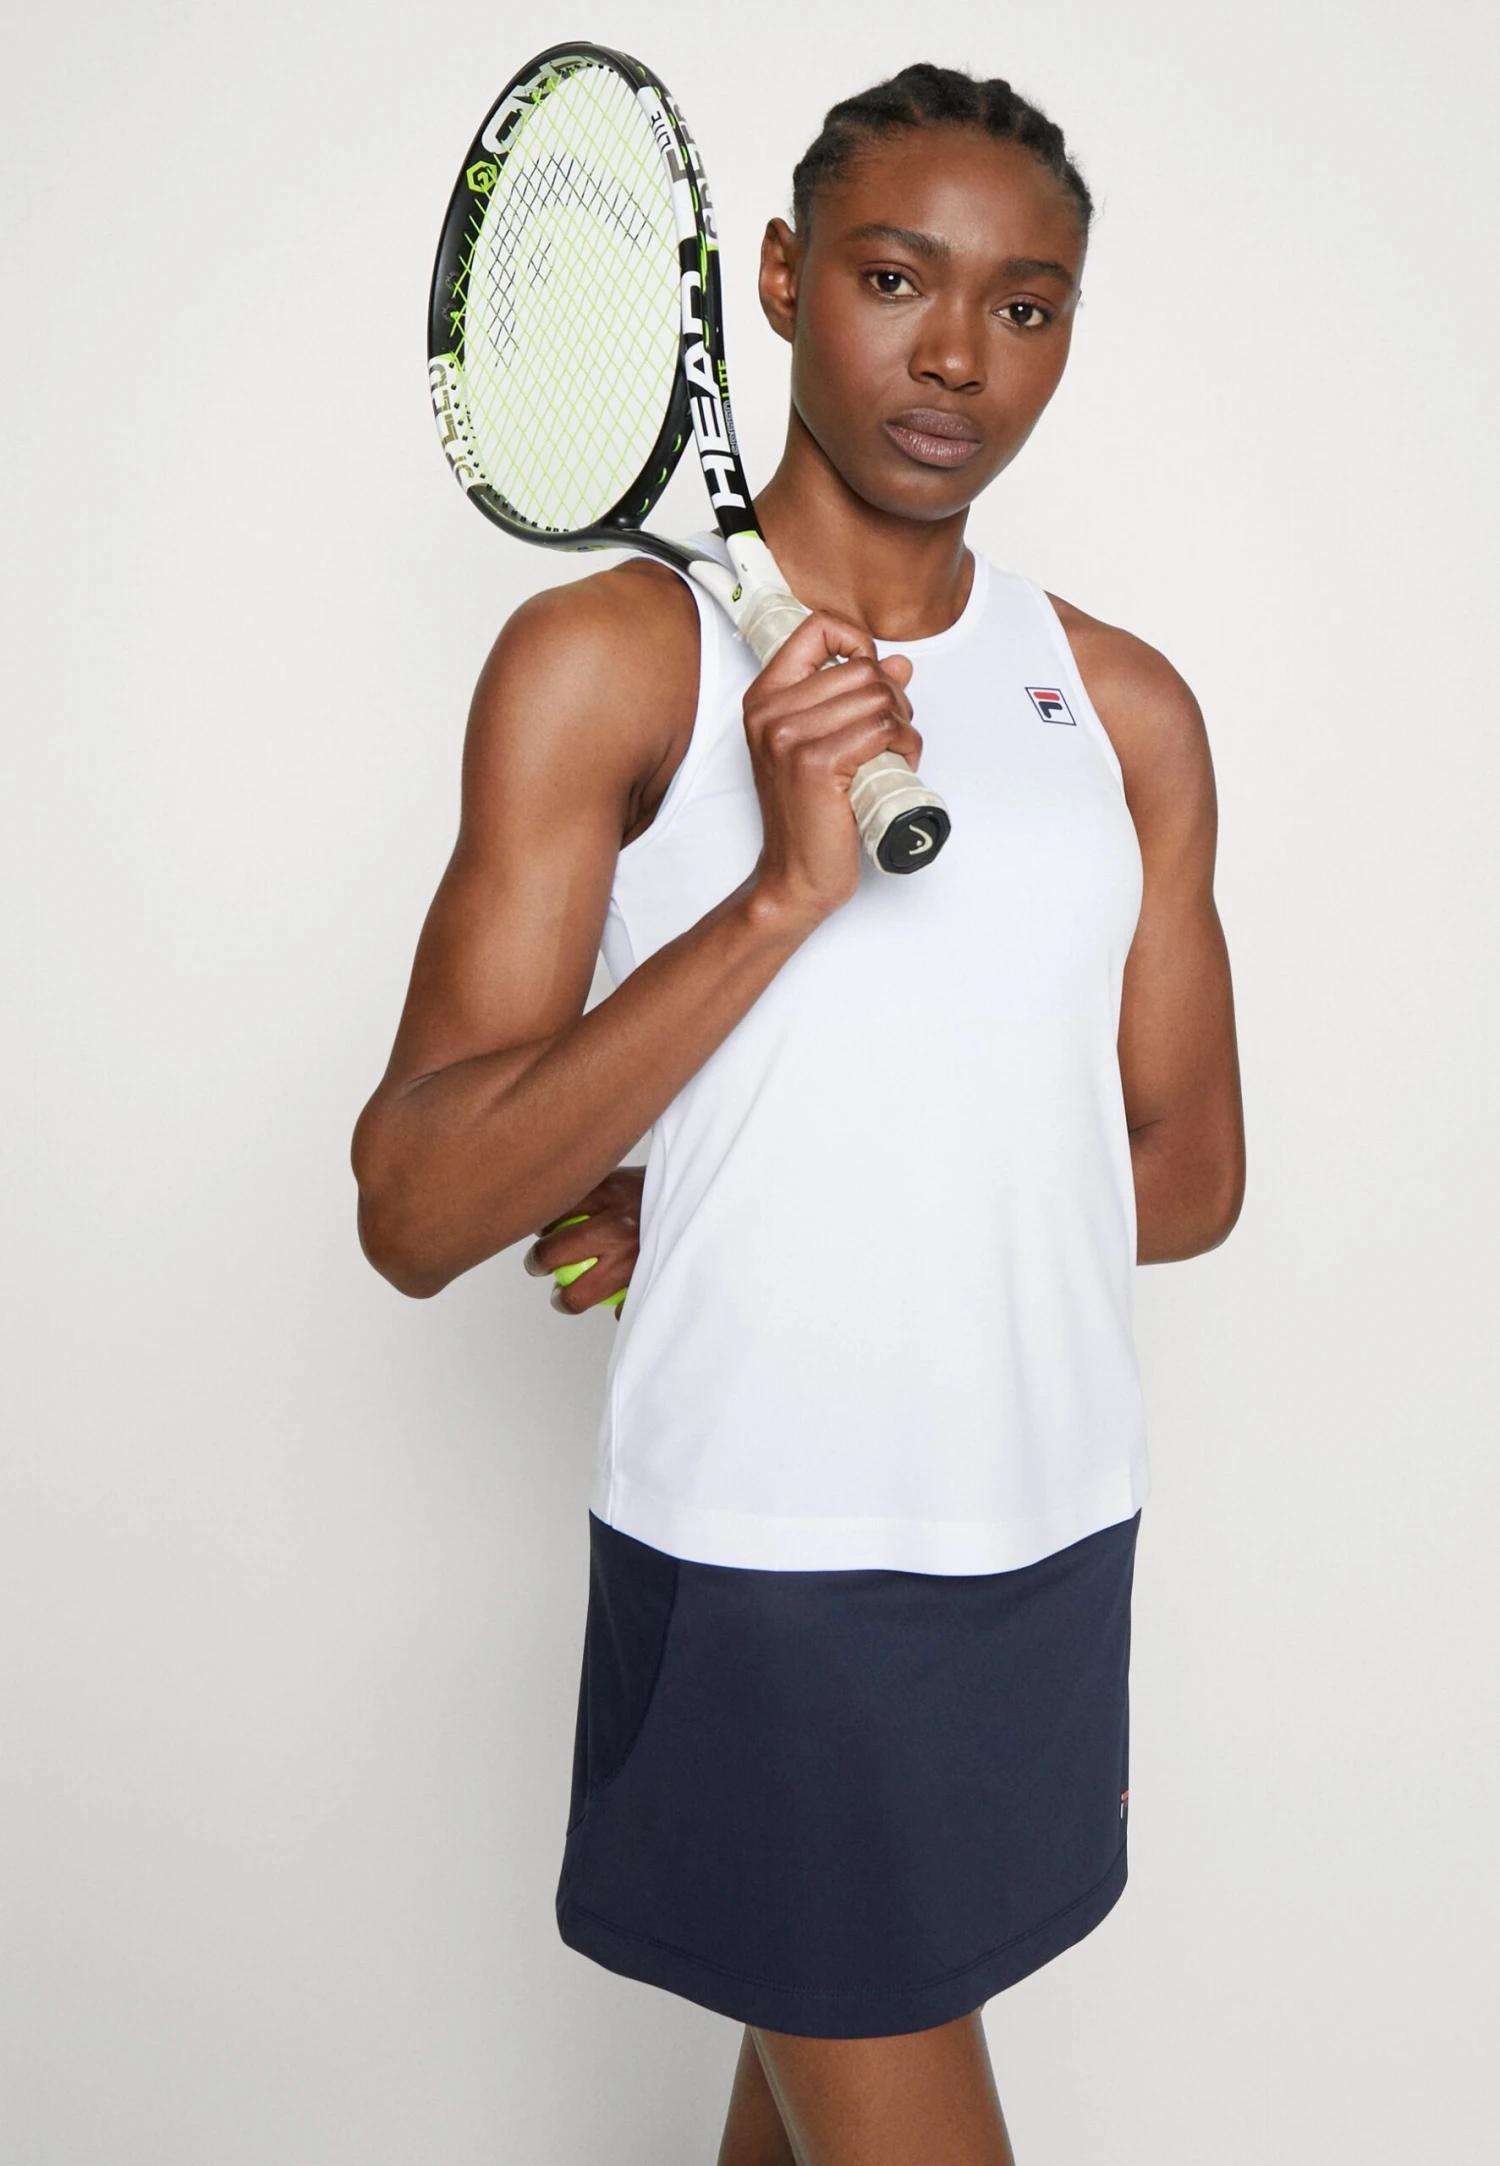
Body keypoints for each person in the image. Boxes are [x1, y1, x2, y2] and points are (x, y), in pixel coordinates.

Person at [352, 61, 1244, 2166]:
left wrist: (756, 1181)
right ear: (775, 278)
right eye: (894, 278)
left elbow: (1188, 1173)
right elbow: (415, 1204)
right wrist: (777, 895)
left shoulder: (1122, 706)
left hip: (1045, 1531)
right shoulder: (611, 663)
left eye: (1026, 306)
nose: (957, 357)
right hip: (775, 1561)